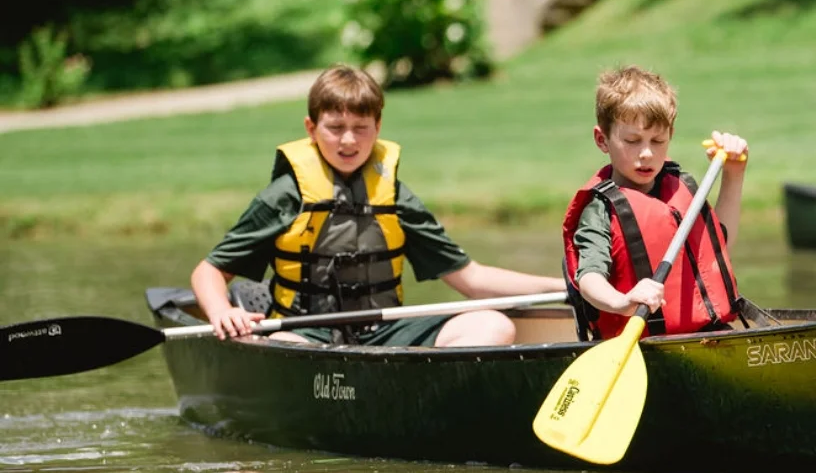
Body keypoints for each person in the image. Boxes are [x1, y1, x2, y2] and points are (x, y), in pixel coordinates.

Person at [190, 64, 563, 346]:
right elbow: (208, 272)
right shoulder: (285, 195)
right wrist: (222, 312)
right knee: (284, 350)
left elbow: (472, 279)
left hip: (383, 333)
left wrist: (558, 285)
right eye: (335, 127)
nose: (348, 140)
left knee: (494, 326)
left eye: (361, 127)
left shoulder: (396, 196)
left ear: (378, 125)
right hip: (302, 334)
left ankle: (418, 401)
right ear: (310, 128)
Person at [561, 65, 749, 340]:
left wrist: (733, 172)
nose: (647, 153)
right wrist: (622, 303)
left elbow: (719, 246)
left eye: (658, 140)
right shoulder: (600, 209)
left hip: (707, 335)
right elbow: (590, 278)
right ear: (603, 139)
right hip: (641, 343)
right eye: (632, 141)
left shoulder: (676, 187)